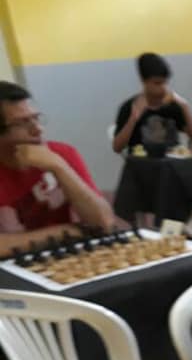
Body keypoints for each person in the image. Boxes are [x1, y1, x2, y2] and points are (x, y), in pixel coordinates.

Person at [0, 81, 113, 256]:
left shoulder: (61, 154)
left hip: (62, 258)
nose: (38, 129)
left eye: (36, 118)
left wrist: (59, 167)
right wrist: (64, 232)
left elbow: (104, 223)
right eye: (21, 124)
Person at [112, 52, 192, 156]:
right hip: (142, 167)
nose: (163, 88)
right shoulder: (129, 107)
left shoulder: (173, 105)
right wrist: (133, 119)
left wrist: (184, 106)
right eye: (157, 83)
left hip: (171, 166)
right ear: (143, 81)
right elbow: (117, 147)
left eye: (165, 83)